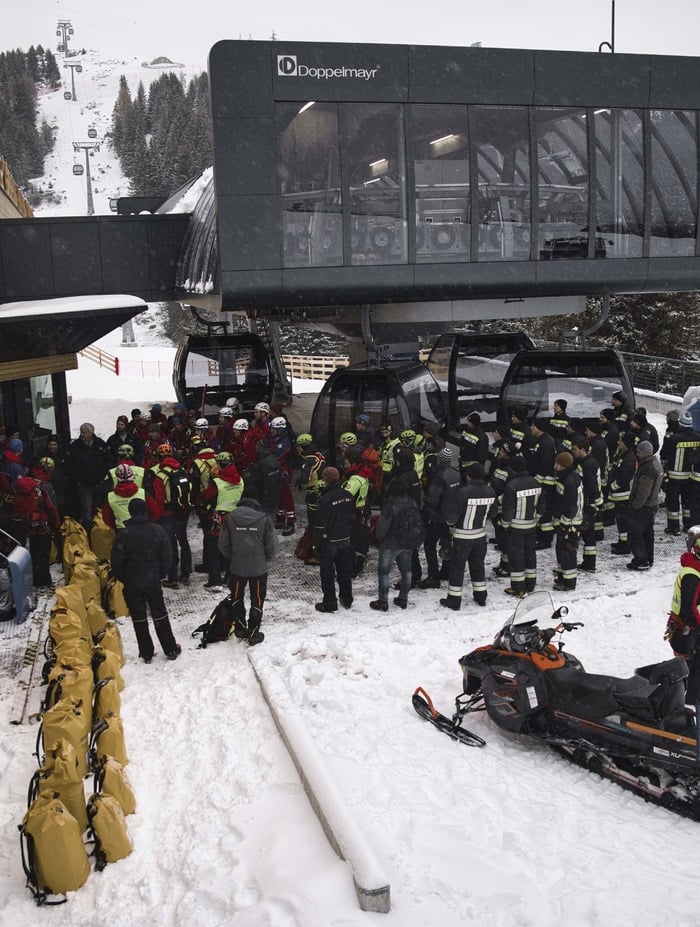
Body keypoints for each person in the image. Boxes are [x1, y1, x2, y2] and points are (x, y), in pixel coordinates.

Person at [110, 497, 181, 664]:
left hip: (132, 581)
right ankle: (170, 648)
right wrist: (161, 573)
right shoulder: (157, 530)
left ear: (130, 513)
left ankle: (146, 651)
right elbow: (167, 555)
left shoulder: (124, 535)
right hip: (152, 580)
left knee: (139, 616)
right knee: (160, 614)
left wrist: (123, 577)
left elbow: (117, 560)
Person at [217, 485, 279, 645]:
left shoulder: (230, 518)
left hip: (236, 568)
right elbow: (272, 546)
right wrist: (263, 559)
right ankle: (253, 631)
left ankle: (240, 626)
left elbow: (222, 544)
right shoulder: (264, 519)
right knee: (257, 598)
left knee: (237, 597)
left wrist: (235, 557)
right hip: (259, 569)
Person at [440, 462, 496, 610]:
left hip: (462, 537)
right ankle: (481, 596)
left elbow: (453, 516)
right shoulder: (490, 491)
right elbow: (494, 512)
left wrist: (449, 522)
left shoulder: (463, 492)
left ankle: (454, 600)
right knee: (478, 566)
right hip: (480, 536)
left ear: (469, 476)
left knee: (457, 568)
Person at [370, 478, 424, 612]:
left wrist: (378, 538)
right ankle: (403, 598)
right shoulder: (412, 502)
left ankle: (383, 601)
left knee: (384, 572)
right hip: (407, 542)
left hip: (391, 544)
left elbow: (382, 527)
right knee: (406, 571)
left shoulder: (390, 505)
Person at [313, 466, 355, 612]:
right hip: (345, 538)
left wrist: (317, 542)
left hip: (330, 541)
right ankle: (347, 598)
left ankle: (330, 602)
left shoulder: (325, 500)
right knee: (344, 571)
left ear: (326, 480)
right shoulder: (348, 495)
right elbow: (352, 517)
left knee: (327, 573)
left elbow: (320, 524)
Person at [499, 455, 542, 597]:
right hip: (531, 526)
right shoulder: (536, 482)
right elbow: (542, 505)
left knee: (516, 557)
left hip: (516, 528)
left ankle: (518, 587)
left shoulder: (512, 485)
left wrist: (504, 524)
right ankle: (531, 583)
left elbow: (509, 509)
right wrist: (537, 518)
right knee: (530, 554)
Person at [666, 526, 700, 704]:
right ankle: (686, 706)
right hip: (689, 631)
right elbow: (690, 608)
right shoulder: (692, 575)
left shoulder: (694, 569)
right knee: (689, 673)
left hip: (688, 630)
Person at [419, 445, 460, 589]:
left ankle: (433, 576)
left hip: (438, 517)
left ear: (440, 460)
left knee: (429, 544)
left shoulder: (439, 476)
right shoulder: (456, 473)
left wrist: (426, 507)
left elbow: (433, 498)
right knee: (447, 542)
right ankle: (446, 570)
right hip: (452, 517)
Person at [626, 440, 664, 571]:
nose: (637, 454)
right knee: (648, 534)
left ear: (645, 453)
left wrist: (635, 506)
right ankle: (648, 558)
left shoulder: (647, 468)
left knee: (636, 534)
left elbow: (643, 492)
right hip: (651, 505)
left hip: (644, 507)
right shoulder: (655, 464)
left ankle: (641, 560)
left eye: (639, 452)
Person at [661, 410, 700, 535]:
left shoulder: (673, 438)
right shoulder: (697, 438)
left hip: (674, 475)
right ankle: (688, 524)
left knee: (673, 501)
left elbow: (664, 455)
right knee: (687, 501)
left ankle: (673, 527)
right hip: (690, 476)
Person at [67, 423, 111, 530]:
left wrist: (103, 476)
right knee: (87, 510)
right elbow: (70, 465)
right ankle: (88, 532)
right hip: (84, 485)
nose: (82, 435)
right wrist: (77, 480)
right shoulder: (75, 447)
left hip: (99, 483)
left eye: (84, 432)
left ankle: (101, 530)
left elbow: (108, 460)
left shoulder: (100, 444)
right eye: (81, 432)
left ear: (91, 433)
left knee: (101, 508)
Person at [552, 451, 583, 592]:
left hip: (571, 523)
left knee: (568, 552)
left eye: (556, 464)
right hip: (567, 520)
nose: (554, 466)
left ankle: (569, 582)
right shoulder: (567, 477)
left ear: (562, 465)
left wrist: (564, 523)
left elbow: (571, 505)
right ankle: (562, 576)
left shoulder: (570, 481)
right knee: (561, 550)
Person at [102, 462, 148, 531]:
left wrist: (116, 527)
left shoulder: (110, 497)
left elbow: (106, 517)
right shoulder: (143, 493)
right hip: (142, 529)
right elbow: (155, 512)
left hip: (121, 530)